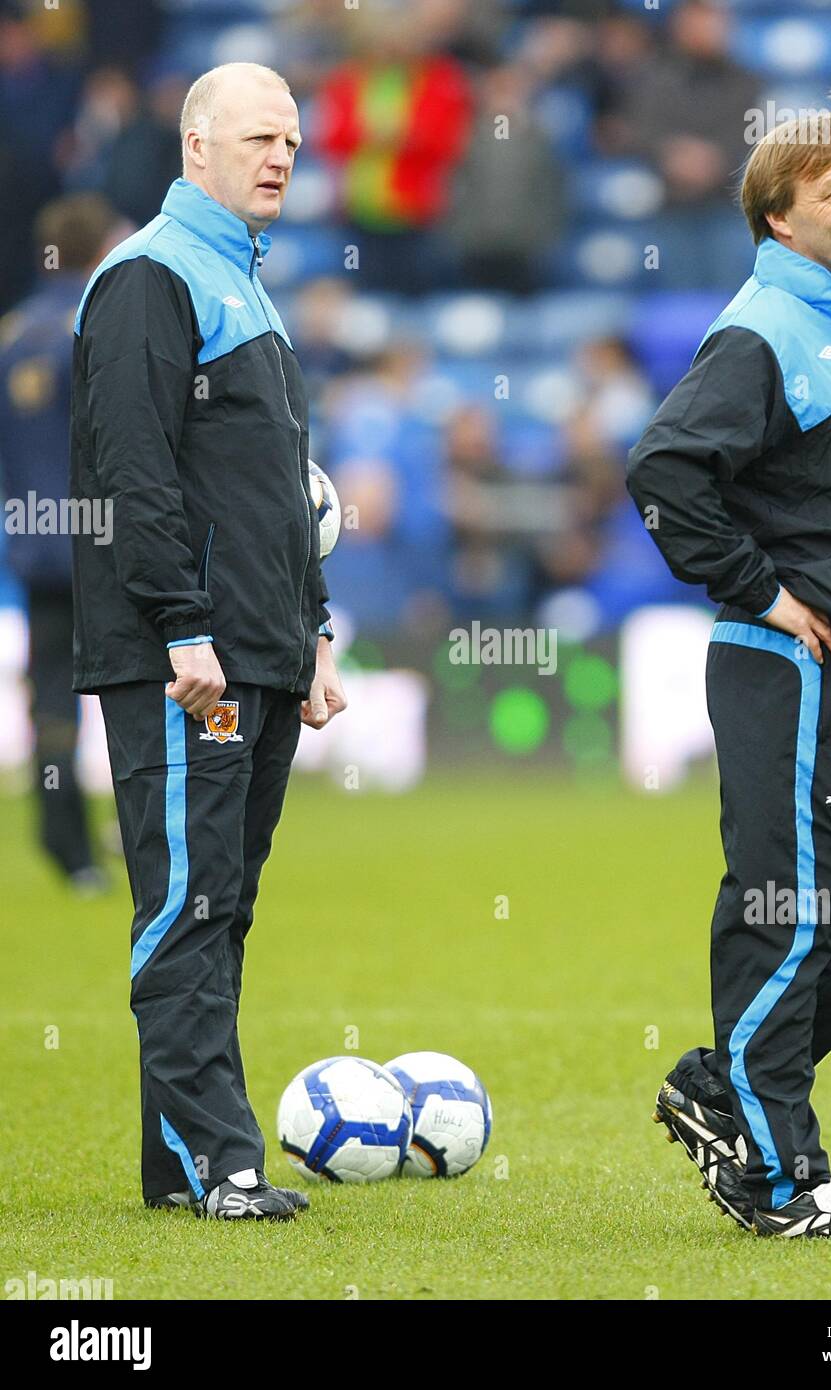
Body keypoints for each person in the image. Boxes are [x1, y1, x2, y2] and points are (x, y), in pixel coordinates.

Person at [627, 97, 831, 1239]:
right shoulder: (762, 329)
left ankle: (725, 1089)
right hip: (798, 674)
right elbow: (664, 471)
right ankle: (781, 1179)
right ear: (775, 216)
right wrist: (761, 590)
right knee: (788, 917)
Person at [70, 62, 347, 1221]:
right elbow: (136, 473)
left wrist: (315, 631)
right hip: (191, 659)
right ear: (196, 148)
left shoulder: (247, 284)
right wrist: (182, 624)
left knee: (217, 903)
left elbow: (281, 488)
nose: (278, 156)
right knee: (187, 901)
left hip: (262, 651)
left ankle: (182, 1162)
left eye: (289, 139)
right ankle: (215, 1162)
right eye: (255, 138)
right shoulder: (148, 277)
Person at [0, 193, 122, 893]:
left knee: (51, 701)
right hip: (102, 539)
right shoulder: (96, 323)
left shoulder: (14, 331)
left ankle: (68, 849)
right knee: (148, 682)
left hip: (36, 546)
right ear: (99, 247)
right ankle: (149, 832)